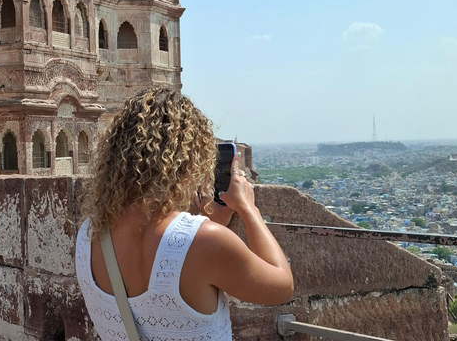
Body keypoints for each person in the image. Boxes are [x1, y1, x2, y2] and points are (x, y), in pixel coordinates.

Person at [76, 86, 294, 340]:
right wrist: (248, 208)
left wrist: (211, 226)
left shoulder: (88, 235)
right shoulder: (205, 242)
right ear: (187, 162)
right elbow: (282, 287)